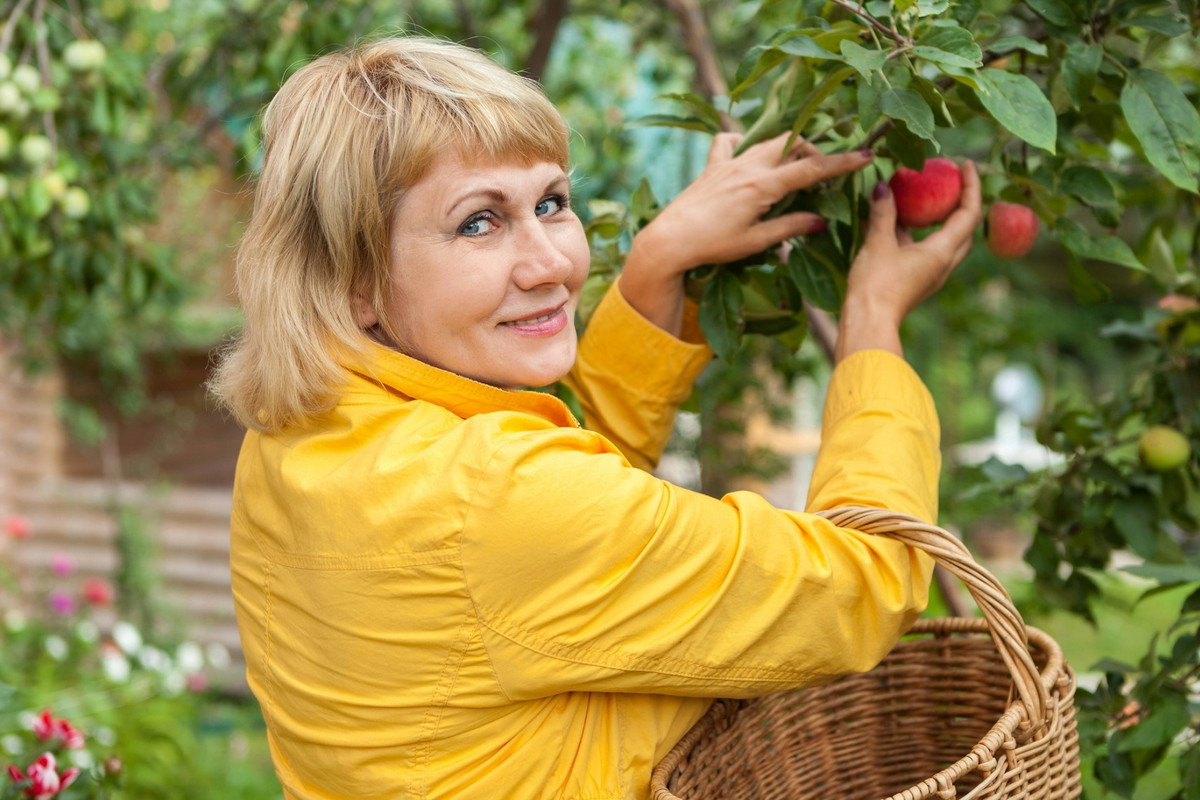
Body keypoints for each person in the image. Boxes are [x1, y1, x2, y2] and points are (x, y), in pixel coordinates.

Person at [210, 35, 982, 800]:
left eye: (550, 202)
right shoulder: (493, 501)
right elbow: (863, 587)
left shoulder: (302, 432)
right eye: (479, 222)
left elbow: (554, 516)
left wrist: (655, 263)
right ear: (355, 283)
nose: (551, 263)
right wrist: (874, 324)